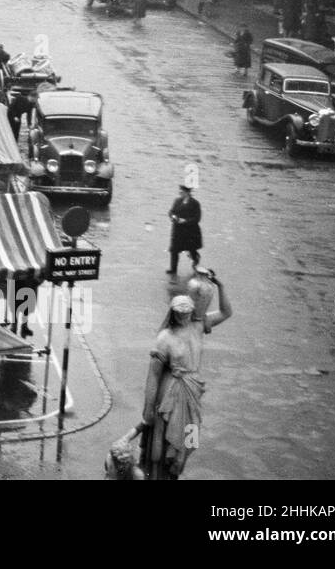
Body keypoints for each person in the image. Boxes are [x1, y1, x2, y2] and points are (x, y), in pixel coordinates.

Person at [142, 282, 233, 480]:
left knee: (192, 438)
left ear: (192, 311)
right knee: (168, 437)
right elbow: (154, 375)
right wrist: (148, 407)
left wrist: (221, 286)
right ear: (172, 313)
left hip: (193, 390)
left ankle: (180, 461)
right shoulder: (165, 337)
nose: (183, 316)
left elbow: (226, 313)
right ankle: (165, 471)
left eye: (186, 312)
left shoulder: (199, 326)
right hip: (172, 392)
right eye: (178, 312)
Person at [166, 184, 202, 274]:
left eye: (182, 192)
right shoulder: (177, 201)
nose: (180, 193)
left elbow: (197, 218)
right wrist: (173, 216)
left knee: (191, 248)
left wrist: (185, 221)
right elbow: (171, 211)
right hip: (177, 230)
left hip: (190, 231)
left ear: (187, 193)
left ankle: (195, 258)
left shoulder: (195, 203)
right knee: (174, 250)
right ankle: (173, 269)